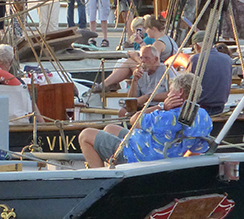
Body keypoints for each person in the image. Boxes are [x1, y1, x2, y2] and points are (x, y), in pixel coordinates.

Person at [79, 72, 212, 168]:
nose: (168, 95)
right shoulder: (203, 116)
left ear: (180, 92)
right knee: (110, 128)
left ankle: (101, 175)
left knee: (86, 135)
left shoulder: (166, 117)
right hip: (161, 154)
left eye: (170, 91)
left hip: (136, 157)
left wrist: (161, 106)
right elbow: (198, 149)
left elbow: (134, 119)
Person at [93, 15, 175, 92]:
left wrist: (135, 57)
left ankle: (105, 84)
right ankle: (110, 84)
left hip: (158, 75)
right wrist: (141, 42)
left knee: (129, 62)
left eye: (147, 29)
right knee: (130, 63)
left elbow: (152, 64)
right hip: (163, 71)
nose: (146, 31)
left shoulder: (158, 44)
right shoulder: (168, 40)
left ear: (153, 29)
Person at [189, 31, 233, 115]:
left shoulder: (195, 59)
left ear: (196, 45)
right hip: (220, 107)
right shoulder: (227, 59)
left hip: (200, 108)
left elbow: (187, 85)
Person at [120, 45, 169, 116]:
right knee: (122, 111)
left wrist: (148, 97)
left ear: (156, 59)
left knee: (140, 114)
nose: (142, 61)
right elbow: (131, 99)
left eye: (146, 58)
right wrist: (134, 81)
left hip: (159, 106)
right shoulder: (141, 72)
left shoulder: (166, 71)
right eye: (141, 58)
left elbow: (170, 94)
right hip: (144, 105)